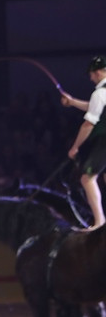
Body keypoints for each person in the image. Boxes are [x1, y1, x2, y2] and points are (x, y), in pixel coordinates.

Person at [61, 56, 106, 230]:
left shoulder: (100, 93)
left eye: (91, 75)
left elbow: (89, 123)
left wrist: (75, 147)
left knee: (87, 178)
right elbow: (93, 106)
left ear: (97, 73)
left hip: (104, 140)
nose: (90, 79)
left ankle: (100, 222)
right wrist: (72, 102)